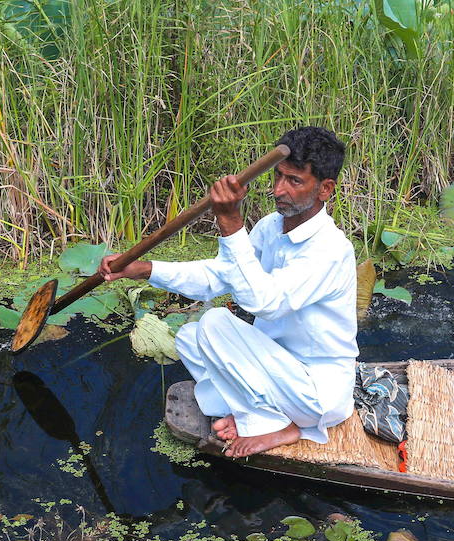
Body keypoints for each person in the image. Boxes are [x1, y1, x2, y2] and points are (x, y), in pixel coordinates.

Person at [97, 126, 357, 458]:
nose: (279, 190)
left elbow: (264, 303)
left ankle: (281, 427)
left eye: (294, 181)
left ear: (325, 189)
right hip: (276, 371)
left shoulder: (330, 250)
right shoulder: (270, 229)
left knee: (216, 322)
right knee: (190, 337)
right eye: (278, 177)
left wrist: (231, 223)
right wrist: (145, 269)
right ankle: (259, 412)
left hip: (315, 393)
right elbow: (218, 276)